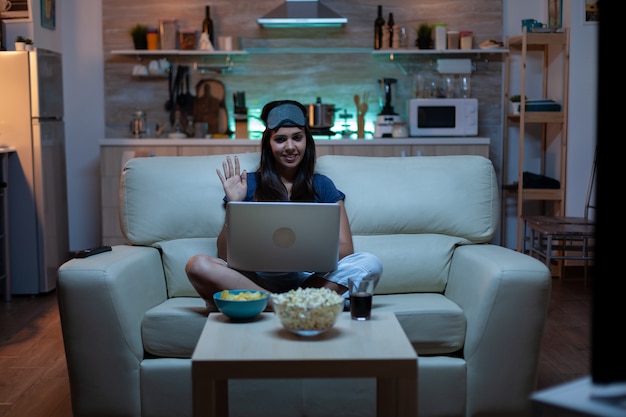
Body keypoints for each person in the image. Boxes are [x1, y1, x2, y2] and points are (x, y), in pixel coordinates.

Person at [185, 99, 382, 309]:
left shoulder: (323, 185)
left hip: (309, 281)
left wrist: (300, 255)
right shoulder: (247, 184)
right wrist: (235, 204)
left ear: (307, 140)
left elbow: (346, 249)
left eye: (297, 138)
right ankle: (289, 304)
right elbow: (225, 254)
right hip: (255, 280)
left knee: (369, 263)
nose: (290, 147)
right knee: (197, 265)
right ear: (268, 145)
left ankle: (269, 304)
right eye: (280, 139)